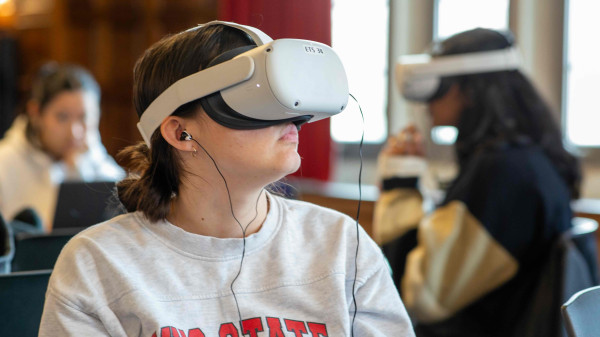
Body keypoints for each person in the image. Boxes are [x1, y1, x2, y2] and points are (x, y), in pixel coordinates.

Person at [38, 21, 415, 336]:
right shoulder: (97, 266)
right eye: (257, 95)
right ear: (179, 133)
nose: (290, 115)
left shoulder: (342, 246)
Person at [374, 28, 581, 336]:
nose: (427, 104)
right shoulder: (530, 158)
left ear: (468, 90)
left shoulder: (502, 173)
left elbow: (419, 296)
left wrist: (400, 186)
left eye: (439, 87)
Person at [0, 63, 124, 231]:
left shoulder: (92, 152)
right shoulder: (5, 161)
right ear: (36, 113)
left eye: (84, 117)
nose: (74, 131)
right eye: (62, 117)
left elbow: (123, 206)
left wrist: (80, 168)